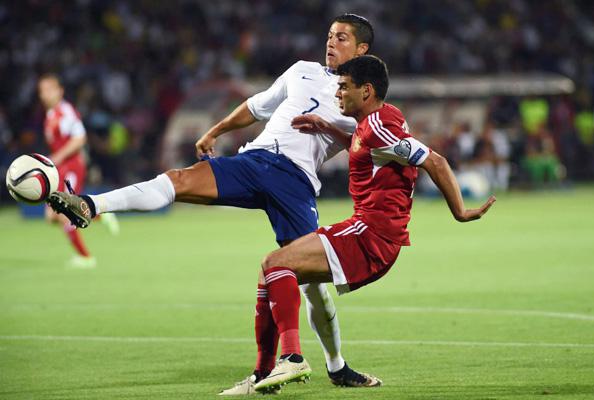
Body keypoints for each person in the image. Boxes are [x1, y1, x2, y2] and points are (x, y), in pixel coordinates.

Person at [47, 14, 382, 395]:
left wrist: (329, 128)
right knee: (178, 180)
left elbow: (367, 142)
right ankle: (91, 205)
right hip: (255, 160)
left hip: (297, 180)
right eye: (329, 35)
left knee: (307, 282)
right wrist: (216, 130)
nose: (331, 43)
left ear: (361, 49)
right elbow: (257, 107)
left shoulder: (363, 97)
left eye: (341, 38)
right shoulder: (302, 71)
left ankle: (336, 367)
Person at [250, 55, 496, 394]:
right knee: (273, 272)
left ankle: (290, 360)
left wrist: (460, 211)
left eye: (343, 87)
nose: (337, 94)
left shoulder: (379, 125)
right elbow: (371, 148)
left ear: (366, 91)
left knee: (275, 264)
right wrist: (328, 128)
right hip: (367, 232)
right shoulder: (380, 119)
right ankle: (263, 376)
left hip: (370, 236)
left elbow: (434, 161)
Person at [38, 73, 119, 268]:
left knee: (61, 212)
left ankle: (85, 257)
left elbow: (80, 138)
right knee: (51, 217)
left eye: (50, 89)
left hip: (72, 166)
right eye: (42, 91)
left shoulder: (65, 112)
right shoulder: (51, 115)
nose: (45, 94)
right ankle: (100, 214)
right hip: (61, 168)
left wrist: (57, 156)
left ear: (60, 91)